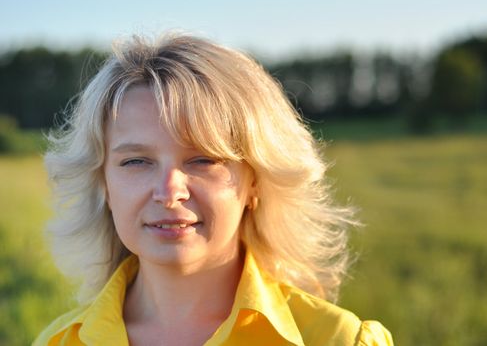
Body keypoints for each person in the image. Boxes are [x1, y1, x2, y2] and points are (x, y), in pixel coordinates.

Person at [34, 33, 393, 346]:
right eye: (136, 162)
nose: (168, 191)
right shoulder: (58, 342)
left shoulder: (340, 340)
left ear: (256, 181)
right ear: (105, 186)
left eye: (203, 160)